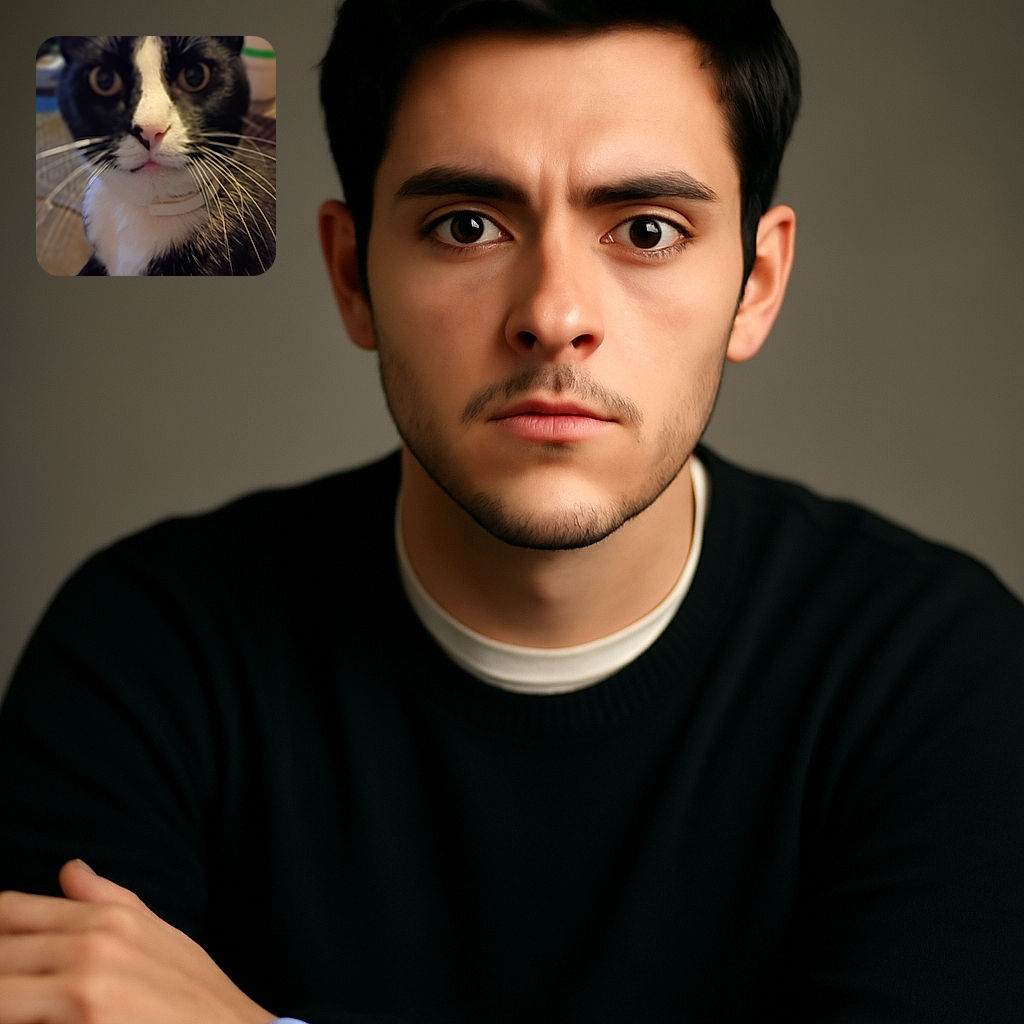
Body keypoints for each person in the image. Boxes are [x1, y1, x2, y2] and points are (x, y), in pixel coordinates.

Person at [1, 0, 1022, 1021]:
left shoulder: (937, 674)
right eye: (466, 225)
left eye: (647, 230)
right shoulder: (146, 652)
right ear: (354, 276)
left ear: (754, 284)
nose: (553, 315)